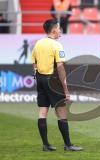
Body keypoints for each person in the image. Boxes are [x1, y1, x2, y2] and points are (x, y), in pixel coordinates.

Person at [31, 19, 82, 151]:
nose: (60, 30)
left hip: (40, 79)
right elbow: (60, 68)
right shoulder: (57, 45)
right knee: (61, 112)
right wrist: (66, 90)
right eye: (59, 28)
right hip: (52, 80)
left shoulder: (38, 43)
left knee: (42, 112)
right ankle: (68, 145)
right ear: (54, 30)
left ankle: (46, 145)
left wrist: (38, 77)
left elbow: (34, 64)